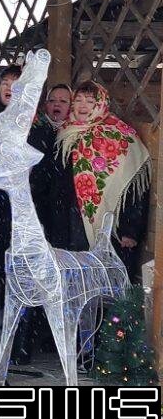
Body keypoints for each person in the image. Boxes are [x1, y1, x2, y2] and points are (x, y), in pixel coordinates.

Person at [0, 65, 56, 364]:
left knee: (27, 275)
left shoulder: (39, 124)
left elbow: (48, 170)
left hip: (29, 211)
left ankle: (23, 338)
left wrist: (25, 181)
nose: (9, 87)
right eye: (4, 82)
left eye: (16, 83)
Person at [52, 81, 151, 282]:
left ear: (101, 104)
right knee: (74, 282)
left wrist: (131, 229)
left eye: (90, 101)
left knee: (104, 283)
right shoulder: (65, 133)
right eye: (78, 100)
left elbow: (135, 187)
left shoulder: (120, 136)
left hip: (110, 227)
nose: (82, 106)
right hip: (68, 224)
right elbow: (54, 181)